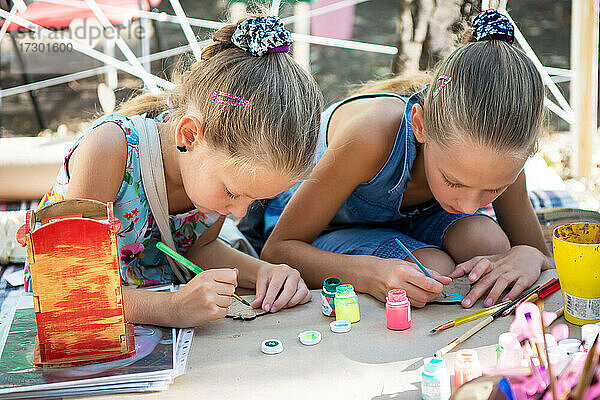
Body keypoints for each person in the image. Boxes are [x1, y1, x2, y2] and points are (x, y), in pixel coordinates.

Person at [242, 9, 552, 309]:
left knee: (490, 248)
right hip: (320, 230)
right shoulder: (371, 135)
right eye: (453, 181)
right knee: (429, 270)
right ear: (419, 126)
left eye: (493, 190)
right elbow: (278, 250)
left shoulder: (503, 147)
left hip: (403, 222)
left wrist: (527, 255)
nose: (471, 205)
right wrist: (368, 274)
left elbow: (537, 253)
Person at [25, 16, 323, 327]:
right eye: (233, 193)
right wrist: (171, 308)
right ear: (190, 135)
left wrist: (263, 272)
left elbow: (198, 248)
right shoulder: (109, 150)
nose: (237, 212)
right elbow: (64, 287)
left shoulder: (210, 174)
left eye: (253, 200)